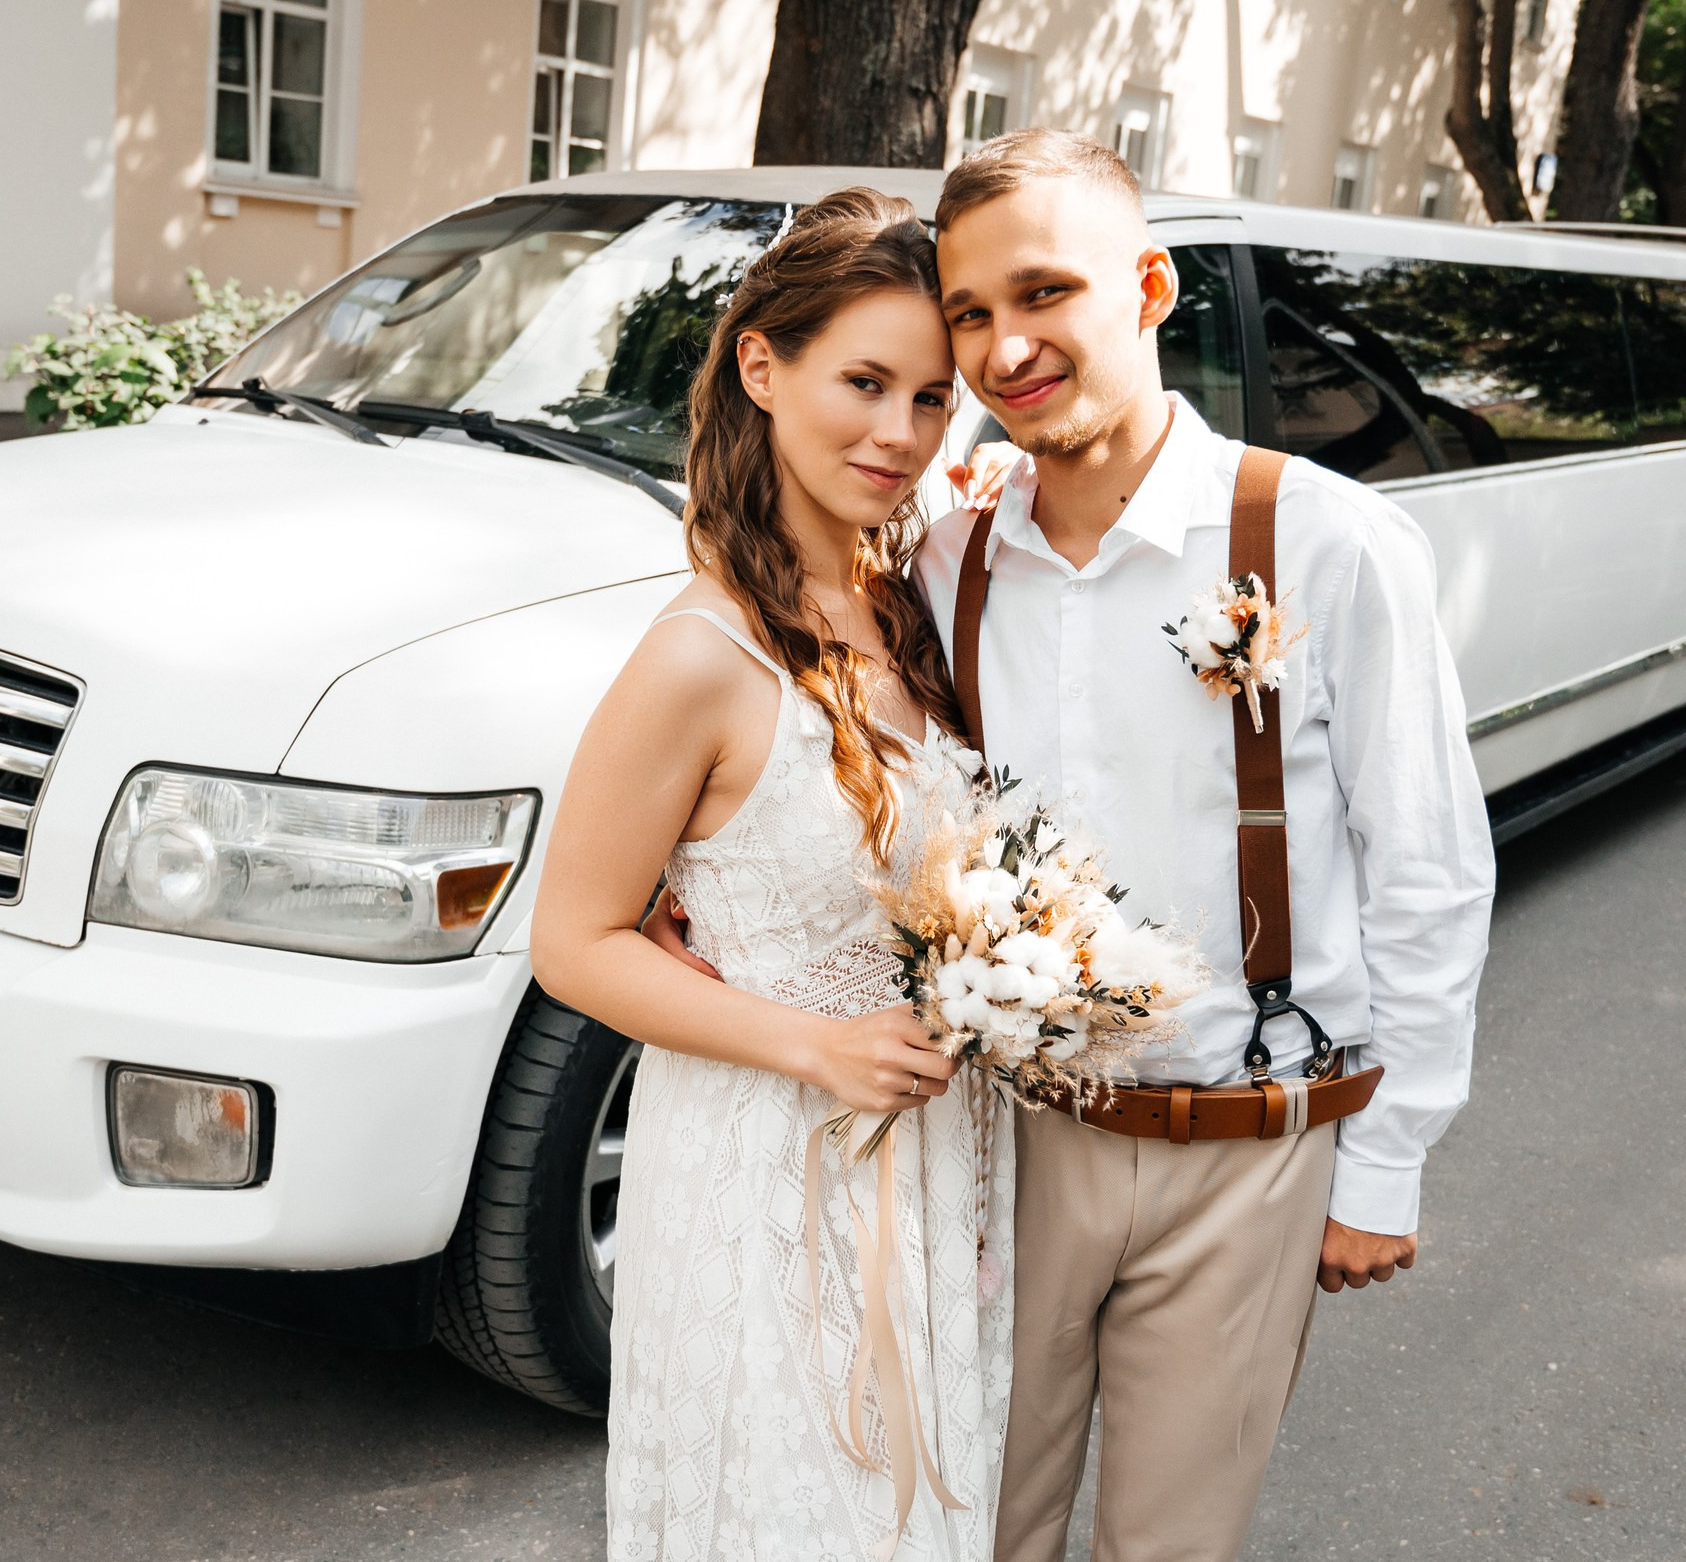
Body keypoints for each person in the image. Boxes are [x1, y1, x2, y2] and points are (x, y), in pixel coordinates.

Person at [913, 129, 1495, 1562]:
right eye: (970, 315)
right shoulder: (949, 550)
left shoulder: (1327, 542)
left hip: (1246, 1145)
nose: (1004, 347)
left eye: (1043, 294)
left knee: (1166, 1547)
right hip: (1008, 1141)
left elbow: (1426, 863)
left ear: (1152, 286)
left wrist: (1388, 1162)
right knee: (973, 1525)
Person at [531, 187, 1013, 1562]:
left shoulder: (914, 601)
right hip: (769, 1168)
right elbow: (575, 943)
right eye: (864, 382)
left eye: (931, 399)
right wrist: (815, 1046)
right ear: (763, 365)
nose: (900, 435)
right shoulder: (699, 655)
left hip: (940, 1162)